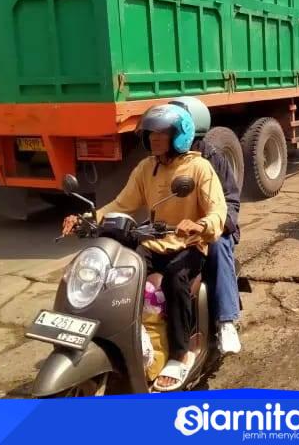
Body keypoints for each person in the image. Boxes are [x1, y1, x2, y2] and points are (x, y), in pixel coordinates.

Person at [62, 104, 227, 391]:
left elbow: (218, 211)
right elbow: (121, 204)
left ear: (180, 135)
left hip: (188, 245)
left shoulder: (199, 168)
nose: (154, 138)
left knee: (176, 279)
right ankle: (127, 338)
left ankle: (179, 353)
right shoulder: (146, 168)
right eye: (150, 133)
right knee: (119, 274)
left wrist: (199, 226)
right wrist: (86, 218)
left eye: (161, 133)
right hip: (153, 243)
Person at [169, 96, 242, 355]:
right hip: (175, 228)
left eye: (175, 125)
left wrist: (217, 224)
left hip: (211, 228)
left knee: (219, 244)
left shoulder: (213, 158)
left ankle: (226, 322)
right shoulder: (162, 160)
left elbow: (231, 200)